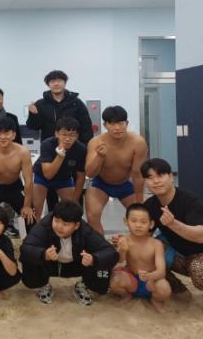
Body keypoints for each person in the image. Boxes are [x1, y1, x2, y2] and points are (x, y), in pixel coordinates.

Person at [20, 200, 118, 305]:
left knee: (102, 271)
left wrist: (93, 259)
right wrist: (43, 255)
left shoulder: (85, 230)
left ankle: (84, 285)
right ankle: (43, 284)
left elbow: (110, 252)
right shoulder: (44, 225)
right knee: (28, 258)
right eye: (56, 220)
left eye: (65, 224)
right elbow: (26, 248)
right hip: (50, 264)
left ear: (76, 225)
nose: (59, 226)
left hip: (77, 265)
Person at [26, 70, 93, 214]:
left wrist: (82, 148)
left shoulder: (76, 103)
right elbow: (33, 126)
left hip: (72, 152)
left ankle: (73, 217)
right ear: (48, 84)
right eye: (52, 81)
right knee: (50, 191)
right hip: (50, 150)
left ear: (65, 83)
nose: (56, 83)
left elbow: (86, 127)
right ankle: (53, 219)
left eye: (59, 80)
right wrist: (33, 114)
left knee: (73, 190)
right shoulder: (41, 104)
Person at [142, 158, 203, 294]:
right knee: (145, 250)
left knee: (199, 271)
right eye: (150, 177)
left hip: (199, 254)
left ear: (171, 177)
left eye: (160, 175)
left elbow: (201, 237)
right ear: (145, 182)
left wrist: (172, 223)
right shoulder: (150, 205)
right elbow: (144, 237)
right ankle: (179, 291)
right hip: (178, 255)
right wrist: (125, 240)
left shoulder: (189, 201)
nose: (156, 181)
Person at [85, 106, 148, 235]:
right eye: (112, 124)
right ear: (105, 125)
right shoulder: (96, 142)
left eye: (120, 123)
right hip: (101, 184)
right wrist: (99, 156)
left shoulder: (138, 143)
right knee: (92, 216)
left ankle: (136, 243)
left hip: (125, 184)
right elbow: (90, 173)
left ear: (127, 123)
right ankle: (101, 245)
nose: (117, 128)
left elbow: (138, 174)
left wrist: (139, 201)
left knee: (143, 216)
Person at [110, 203, 171, 313]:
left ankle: (156, 300)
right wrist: (122, 250)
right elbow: (119, 260)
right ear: (126, 221)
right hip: (131, 279)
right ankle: (126, 295)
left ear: (151, 224)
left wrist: (150, 276)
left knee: (164, 288)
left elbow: (161, 272)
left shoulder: (156, 244)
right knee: (114, 280)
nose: (138, 225)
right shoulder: (124, 240)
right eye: (133, 221)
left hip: (150, 282)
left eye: (143, 222)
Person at [32, 117, 86, 219]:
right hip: (42, 177)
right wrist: (61, 154)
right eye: (64, 135)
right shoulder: (47, 144)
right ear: (56, 134)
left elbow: (81, 176)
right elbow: (48, 175)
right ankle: (37, 228)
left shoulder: (81, 149)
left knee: (73, 210)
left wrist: (75, 200)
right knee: (36, 210)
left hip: (64, 178)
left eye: (72, 135)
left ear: (77, 136)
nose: (67, 139)